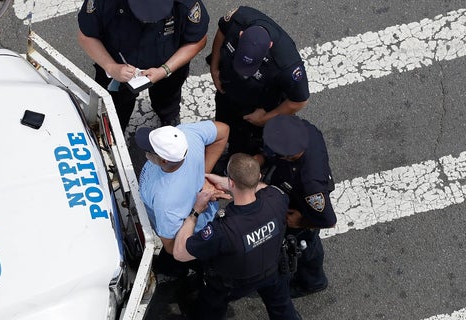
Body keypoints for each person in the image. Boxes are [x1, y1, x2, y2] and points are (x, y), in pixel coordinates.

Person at [173, 153, 301, 320]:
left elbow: (180, 253)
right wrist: (232, 183)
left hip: (232, 283)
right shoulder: (276, 199)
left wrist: (195, 212)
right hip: (272, 269)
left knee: (209, 309)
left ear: (231, 182)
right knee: (283, 308)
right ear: (259, 176)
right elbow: (264, 188)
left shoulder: (223, 229)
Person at [77, 0, 209, 131]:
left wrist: (165, 70)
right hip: (117, 67)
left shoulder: (186, 3)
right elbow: (87, 36)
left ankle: (168, 117)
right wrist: (111, 67)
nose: (148, 21)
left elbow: (198, 40)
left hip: (168, 65)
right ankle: (116, 132)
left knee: (168, 98)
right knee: (116, 109)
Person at [208, 6, 309, 161]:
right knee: (222, 123)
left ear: (269, 46)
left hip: (254, 108)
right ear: (241, 35)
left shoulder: (287, 64)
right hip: (227, 91)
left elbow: (299, 101)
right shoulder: (239, 19)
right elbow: (222, 31)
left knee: (244, 144)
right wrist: (214, 68)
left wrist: (265, 119)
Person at [136, 120, 229, 280]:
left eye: (149, 150)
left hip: (192, 232)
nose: (145, 152)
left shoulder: (165, 203)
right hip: (202, 215)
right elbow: (223, 129)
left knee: (177, 261)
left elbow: (173, 248)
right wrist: (204, 175)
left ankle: (179, 274)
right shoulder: (185, 134)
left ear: (164, 160)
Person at [262, 114, 337, 298]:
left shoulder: (310, 184)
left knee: (307, 245)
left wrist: (301, 221)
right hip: (287, 185)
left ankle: (313, 281)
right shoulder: (305, 131)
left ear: (291, 156)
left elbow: (328, 220)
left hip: (300, 207)